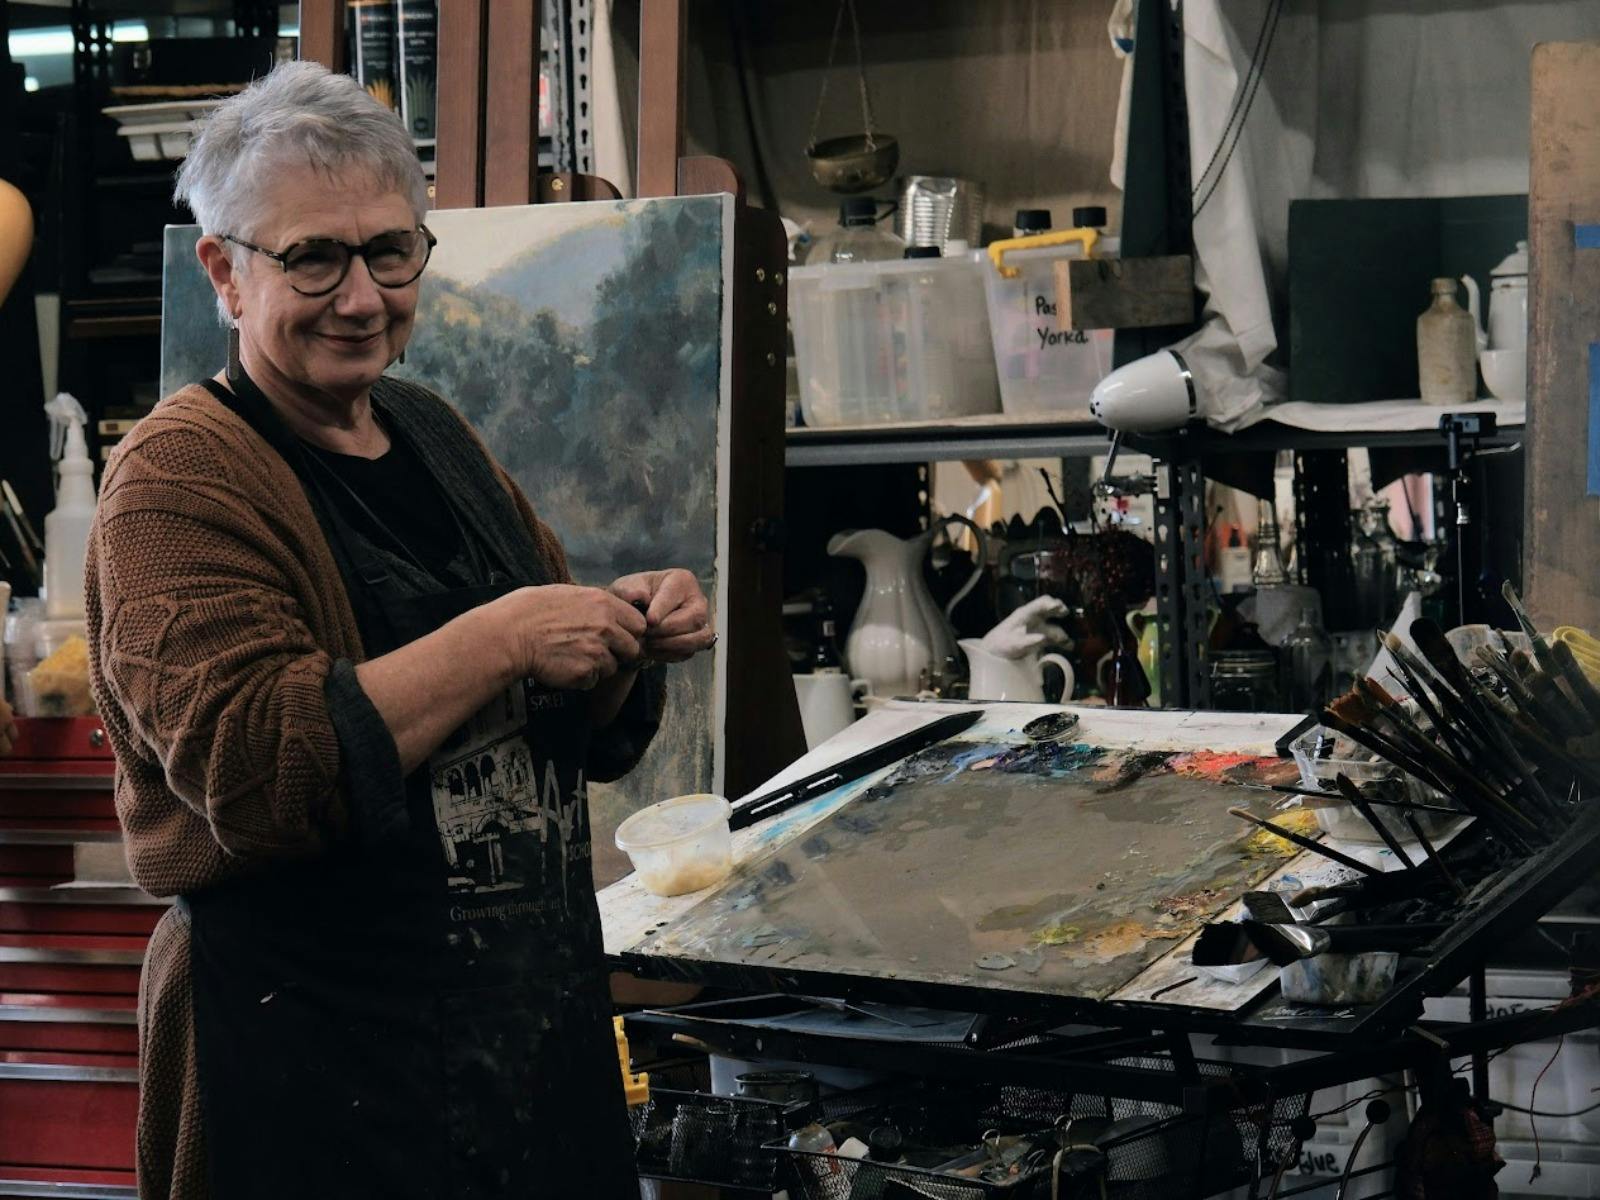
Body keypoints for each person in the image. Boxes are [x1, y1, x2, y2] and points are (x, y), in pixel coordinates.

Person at [85, 61, 715, 1200]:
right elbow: (260, 770)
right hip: (308, 1075)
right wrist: (510, 634)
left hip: (516, 1057)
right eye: (314, 257)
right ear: (223, 272)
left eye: (389, 250)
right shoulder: (176, 484)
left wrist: (623, 635)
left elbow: (577, 734)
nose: (364, 294)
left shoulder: (428, 432)